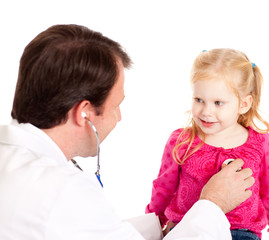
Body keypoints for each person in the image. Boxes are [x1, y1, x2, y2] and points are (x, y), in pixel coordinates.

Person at [0, 25, 255, 240]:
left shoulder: (19, 165)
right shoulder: (63, 192)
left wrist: (158, 228)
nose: (119, 117)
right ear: (84, 113)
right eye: (116, 105)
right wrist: (213, 204)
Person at [146, 49, 269, 240]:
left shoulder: (258, 142)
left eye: (218, 103)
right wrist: (156, 223)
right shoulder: (182, 141)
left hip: (241, 232)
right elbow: (163, 188)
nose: (206, 111)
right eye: (199, 100)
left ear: (244, 104)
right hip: (189, 229)